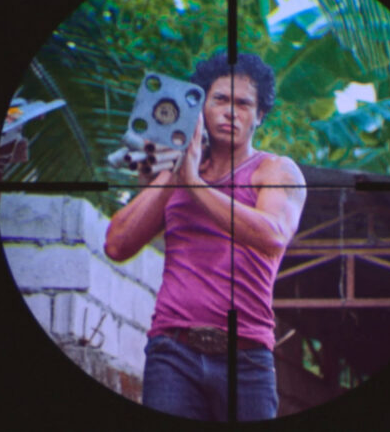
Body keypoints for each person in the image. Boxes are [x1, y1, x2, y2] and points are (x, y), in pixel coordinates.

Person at [104, 52, 306, 421]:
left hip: (247, 358)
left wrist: (195, 184)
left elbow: (274, 235)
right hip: (173, 352)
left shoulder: (276, 170)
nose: (230, 112)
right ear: (201, 108)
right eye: (220, 100)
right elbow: (116, 245)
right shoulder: (176, 171)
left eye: (243, 104)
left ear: (260, 115)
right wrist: (176, 172)